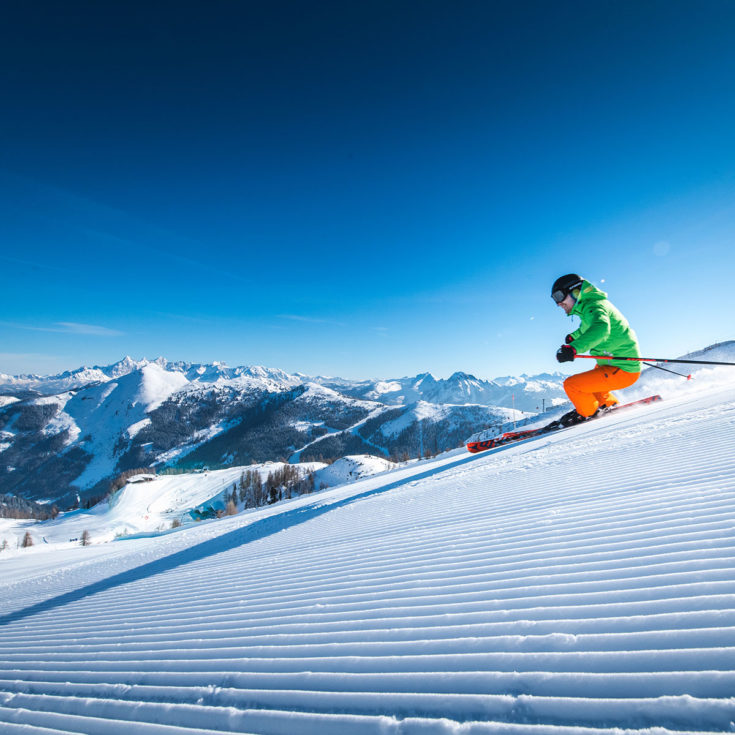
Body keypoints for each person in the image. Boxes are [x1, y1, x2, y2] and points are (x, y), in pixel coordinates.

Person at [551, 274, 641, 426]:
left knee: (572, 385)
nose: (558, 303)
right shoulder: (590, 308)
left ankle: (587, 413)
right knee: (593, 381)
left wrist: (573, 349)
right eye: (555, 299)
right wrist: (574, 337)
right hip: (612, 365)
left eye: (559, 296)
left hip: (622, 369)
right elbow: (588, 327)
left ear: (575, 291)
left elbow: (600, 329)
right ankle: (607, 404)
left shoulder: (595, 307)